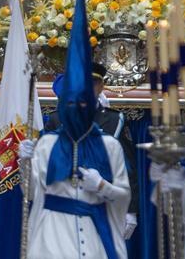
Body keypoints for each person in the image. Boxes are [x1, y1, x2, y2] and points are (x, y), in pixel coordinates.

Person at [18, 0, 132, 259]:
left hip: (96, 241)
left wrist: (102, 186)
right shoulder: (47, 144)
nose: (77, 109)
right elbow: (31, 191)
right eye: (71, 103)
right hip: (51, 244)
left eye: (83, 103)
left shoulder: (109, 146)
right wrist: (24, 161)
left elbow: (123, 196)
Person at [45, 62, 140, 238]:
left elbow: (127, 167)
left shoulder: (114, 120)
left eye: (93, 83)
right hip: (65, 205)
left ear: (101, 87)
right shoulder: (57, 120)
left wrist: (130, 211)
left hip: (104, 205)